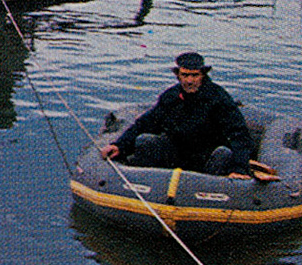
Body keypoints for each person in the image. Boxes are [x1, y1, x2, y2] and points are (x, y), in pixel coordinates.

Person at [103, 52, 255, 177]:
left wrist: (239, 168)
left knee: (223, 154)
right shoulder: (171, 96)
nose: (189, 81)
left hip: (206, 154)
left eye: (194, 75)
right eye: (185, 75)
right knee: (144, 141)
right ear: (178, 75)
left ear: (202, 75)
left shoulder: (218, 98)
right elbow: (146, 123)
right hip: (177, 152)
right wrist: (120, 145)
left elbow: (238, 134)